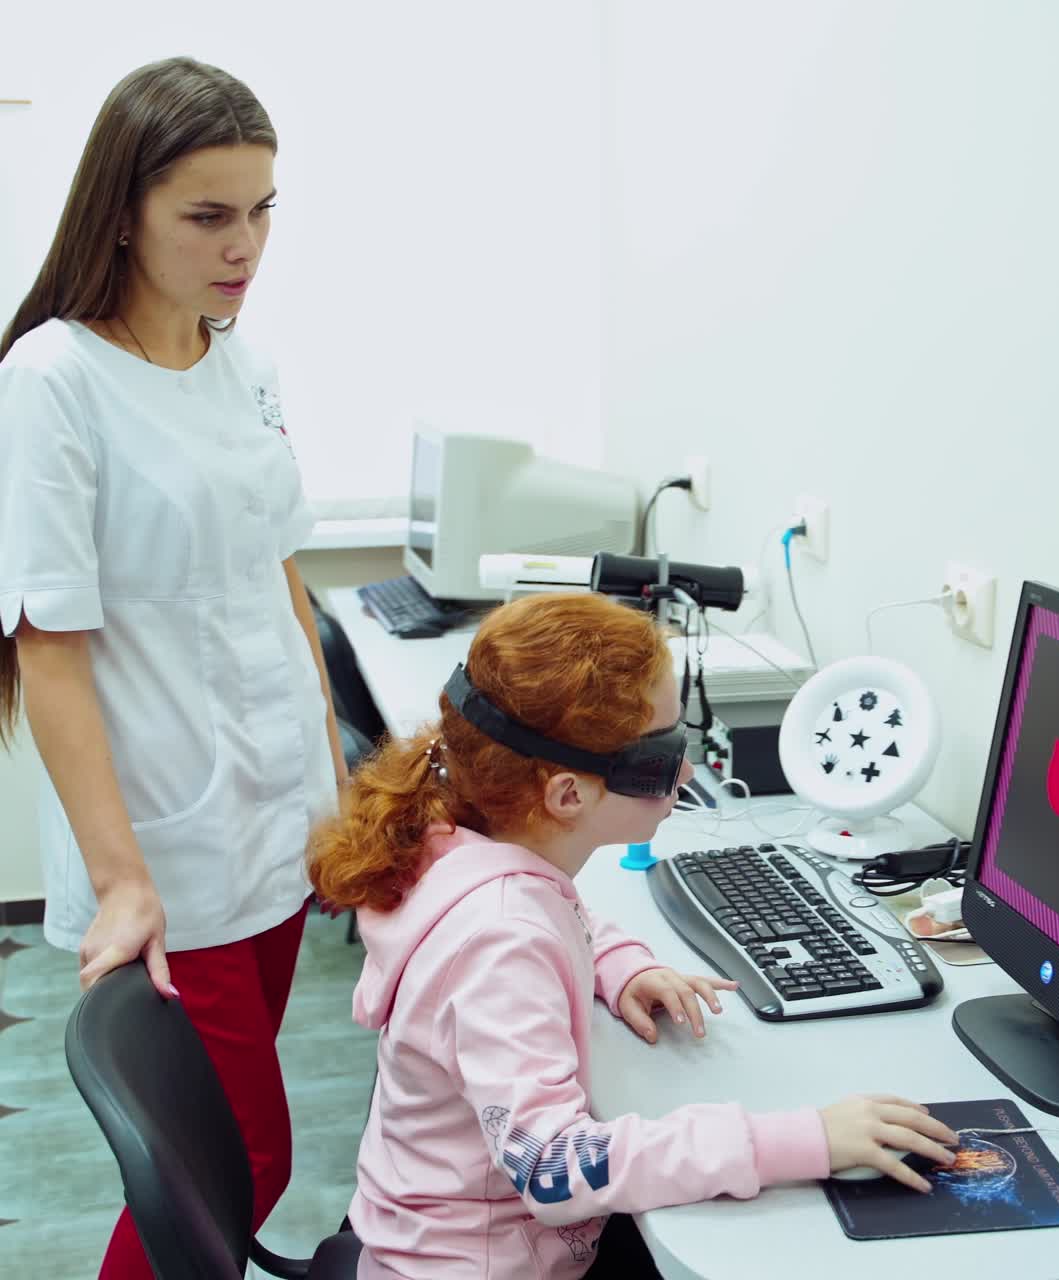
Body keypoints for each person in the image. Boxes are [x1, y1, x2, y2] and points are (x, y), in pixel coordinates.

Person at [308, 592, 958, 1280]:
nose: (688, 773)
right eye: (664, 755)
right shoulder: (500, 938)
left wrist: (617, 964)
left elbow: (556, 915)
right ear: (567, 795)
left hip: (460, 1235)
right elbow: (554, 1168)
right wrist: (807, 1139)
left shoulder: (459, 842)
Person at [0, 57, 346, 1278]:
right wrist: (120, 880)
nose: (243, 244)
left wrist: (336, 790)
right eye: (207, 214)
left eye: (260, 210)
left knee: (226, 1163)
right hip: (165, 844)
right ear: (122, 211)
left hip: (279, 816)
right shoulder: (52, 380)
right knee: (234, 1157)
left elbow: (281, 581)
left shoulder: (243, 361)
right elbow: (49, 647)